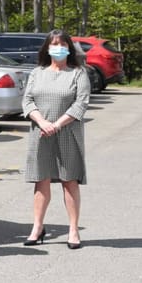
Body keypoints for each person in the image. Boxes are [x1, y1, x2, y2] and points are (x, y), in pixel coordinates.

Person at [21, 29, 91, 249]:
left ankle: (73, 229)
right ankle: (37, 227)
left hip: (67, 133)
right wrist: (42, 122)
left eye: (62, 44)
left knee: (69, 181)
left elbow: (80, 104)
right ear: (47, 48)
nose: (58, 48)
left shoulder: (78, 73)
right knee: (41, 180)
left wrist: (57, 124)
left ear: (69, 48)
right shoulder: (37, 73)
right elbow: (27, 100)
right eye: (53, 44)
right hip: (40, 133)